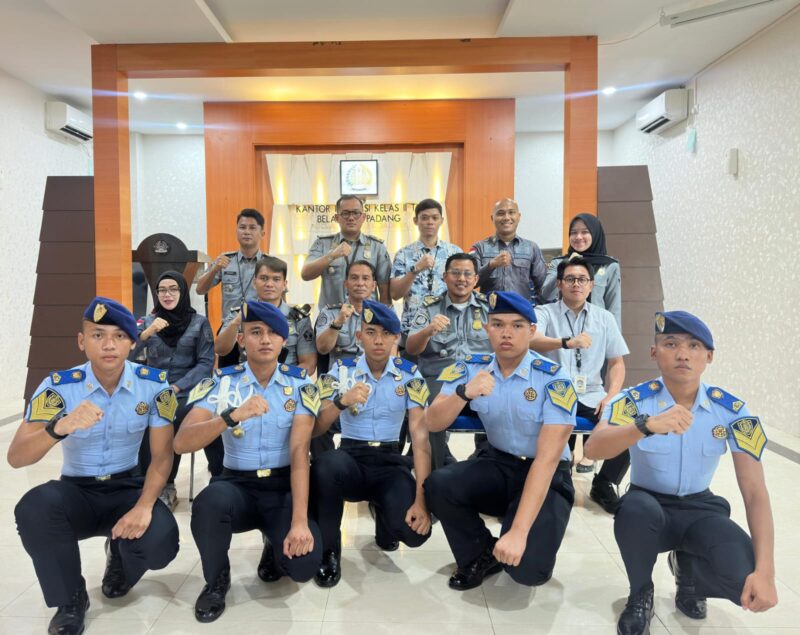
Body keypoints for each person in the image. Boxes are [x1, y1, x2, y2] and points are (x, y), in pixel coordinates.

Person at [584, 311, 777, 635]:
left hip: (701, 509)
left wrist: (766, 571)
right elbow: (593, 449)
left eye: (694, 346)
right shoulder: (634, 400)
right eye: (670, 343)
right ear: (654, 351)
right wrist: (644, 426)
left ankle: (689, 577)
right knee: (633, 511)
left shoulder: (731, 410)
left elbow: (755, 492)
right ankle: (641, 593)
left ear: (709, 356)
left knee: (744, 576)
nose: (683, 354)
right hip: (648, 505)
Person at [10, 297, 180, 635]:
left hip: (127, 488)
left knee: (162, 542)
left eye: (119, 336)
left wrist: (146, 506)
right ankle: (71, 598)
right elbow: (17, 457)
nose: (108, 345)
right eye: (98, 335)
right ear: (81, 341)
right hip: (77, 491)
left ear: (133, 342)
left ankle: (120, 559)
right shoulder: (59, 387)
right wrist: (59, 427)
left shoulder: (155, 384)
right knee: (34, 508)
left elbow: (162, 457)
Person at [175, 301, 322, 623]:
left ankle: (274, 541)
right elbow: (182, 442)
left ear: (285, 341)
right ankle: (216, 580)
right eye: (256, 332)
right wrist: (230, 417)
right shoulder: (220, 383)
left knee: (303, 567)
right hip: (235, 484)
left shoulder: (302, 386)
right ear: (241, 340)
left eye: (273, 333)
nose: (265, 340)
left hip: (282, 486)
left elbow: (300, 454)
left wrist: (299, 521)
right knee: (208, 504)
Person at [424, 291, 576, 591]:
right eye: (498, 324)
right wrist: (464, 393)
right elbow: (432, 421)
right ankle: (480, 553)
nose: (506, 332)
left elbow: (546, 460)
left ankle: (517, 526)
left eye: (518, 325)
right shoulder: (470, 367)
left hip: (547, 475)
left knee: (528, 572)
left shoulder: (554, 379)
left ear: (532, 331)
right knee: (439, 484)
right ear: (487, 328)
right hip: (497, 463)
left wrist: (518, 533)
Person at [311, 300, 432, 588]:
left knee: (414, 535)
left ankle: (385, 515)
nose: (378, 340)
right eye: (371, 332)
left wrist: (421, 500)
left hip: (390, 463)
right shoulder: (341, 371)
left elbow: (421, 438)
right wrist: (342, 401)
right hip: (351, 458)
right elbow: (317, 428)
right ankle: (329, 551)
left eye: (386, 333)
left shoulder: (410, 375)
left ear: (396, 338)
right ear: (359, 336)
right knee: (326, 467)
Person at [531, 257, 629, 513]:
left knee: (627, 424)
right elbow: (532, 341)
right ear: (560, 284)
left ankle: (604, 483)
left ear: (591, 285)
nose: (577, 284)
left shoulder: (605, 318)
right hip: (553, 394)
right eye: (570, 279)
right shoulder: (544, 312)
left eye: (582, 279)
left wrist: (612, 396)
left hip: (592, 395)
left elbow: (617, 363)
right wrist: (565, 343)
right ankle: (549, 479)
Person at [133, 270, 217, 507]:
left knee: (172, 413)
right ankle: (143, 482)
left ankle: (166, 483)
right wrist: (147, 335)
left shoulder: (199, 323)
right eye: (162, 290)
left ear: (182, 292)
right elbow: (127, 355)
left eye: (173, 289)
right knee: (141, 413)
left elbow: (205, 364)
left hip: (186, 390)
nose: (167, 294)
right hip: (152, 389)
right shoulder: (147, 323)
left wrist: (177, 386)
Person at [404, 252, 490, 469]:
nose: (462, 278)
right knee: (429, 409)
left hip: (480, 378)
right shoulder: (429, 307)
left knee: (504, 402)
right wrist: (428, 331)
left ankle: (486, 462)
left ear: (476, 279)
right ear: (445, 277)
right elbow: (411, 348)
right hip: (439, 377)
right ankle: (436, 470)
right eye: (456, 273)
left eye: (467, 274)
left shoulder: (489, 308)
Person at [215, 256, 317, 375]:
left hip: (286, 385)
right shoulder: (239, 314)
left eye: (276, 279)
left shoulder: (298, 318)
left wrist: (283, 380)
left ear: (284, 284)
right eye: (263, 278)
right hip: (247, 381)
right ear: (254, 282)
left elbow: (309, 363)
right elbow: (220, 349)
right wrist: (237, 322)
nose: (269, 284)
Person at [196, 208, 266, 367]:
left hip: (259, 327)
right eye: (242, 227)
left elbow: (280, 298)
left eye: (252, 227)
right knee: (227, 377)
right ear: (236, 231)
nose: (247, 232)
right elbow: (200, 289)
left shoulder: (269, 263)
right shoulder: (225, 260)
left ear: (262, 233)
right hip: (230, 328)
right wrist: (214, 269)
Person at [301, 194, 391, 307]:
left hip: (366, 317)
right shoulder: (323, 244)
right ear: (337, 218)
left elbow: (384, 289)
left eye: (356, 213)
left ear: (363, 217)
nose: (351, 218)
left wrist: (383, 320)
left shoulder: (377, 247)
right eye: (345, 213)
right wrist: (332, 256)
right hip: (332, 317)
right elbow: (305, 274)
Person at [390, 198, 462, 331]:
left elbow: (464, 288)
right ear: (415, 221)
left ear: (442, 220)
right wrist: (415, 269)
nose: (430, 222)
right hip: (411, 327)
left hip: (447, 326)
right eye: (424, 218)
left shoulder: (454, 252)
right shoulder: (403, 254)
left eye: (435, 218)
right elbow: (395, 294)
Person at [542, 213, 621, 327]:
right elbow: (546, 295)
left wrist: (614, 341)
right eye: (573, 232)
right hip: (562, 329)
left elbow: (614, 308)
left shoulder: (609, 265)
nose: (578, 237)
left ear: (595, 234)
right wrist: (566, 265)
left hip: (597, 329)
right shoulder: (558, 263)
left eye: (585, 232)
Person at [470, 198, 547, 304]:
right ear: (493, 218)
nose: (506, 217)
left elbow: (543, 287)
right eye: (501, 213)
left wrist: (535, 311)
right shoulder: (479, 247)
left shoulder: (531, 248)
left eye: (511, 212)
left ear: (519, 217)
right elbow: (470, 282)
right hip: (489, 314)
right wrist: (491, 265)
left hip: (521, 314)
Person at [315, 260, 378, 371]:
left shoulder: (384, 315)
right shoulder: (329, 312)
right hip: (339, 375)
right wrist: (338, 322)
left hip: (372, 374)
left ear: (373, 285)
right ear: (346, 284)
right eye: (354, 278)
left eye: (365, 278)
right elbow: (322, 348)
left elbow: (390, 354)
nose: (360, 283)